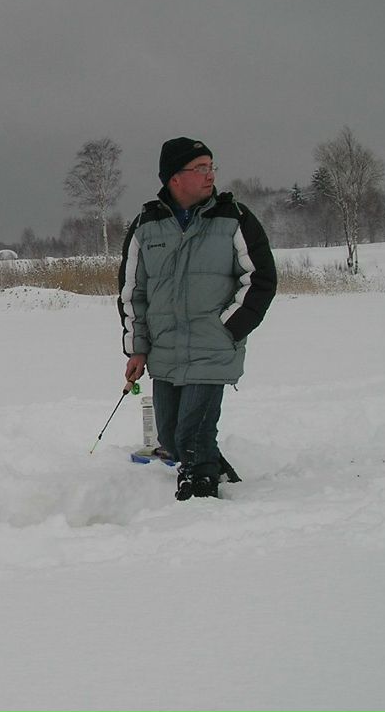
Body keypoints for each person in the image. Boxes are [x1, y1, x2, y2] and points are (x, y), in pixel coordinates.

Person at [118, 137, 277, 500]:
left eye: (211, 166)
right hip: (165, 351)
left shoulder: (233, 218)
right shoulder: (147, 224)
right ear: (175, 178)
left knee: (193, 435)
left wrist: (230, 327)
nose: (210, 175)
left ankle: (201, 498)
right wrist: (137, 349)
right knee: (172, 438)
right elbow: (133, 293)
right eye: (200, 168)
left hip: (212, 345)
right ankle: (218, 472)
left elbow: (261, 278)